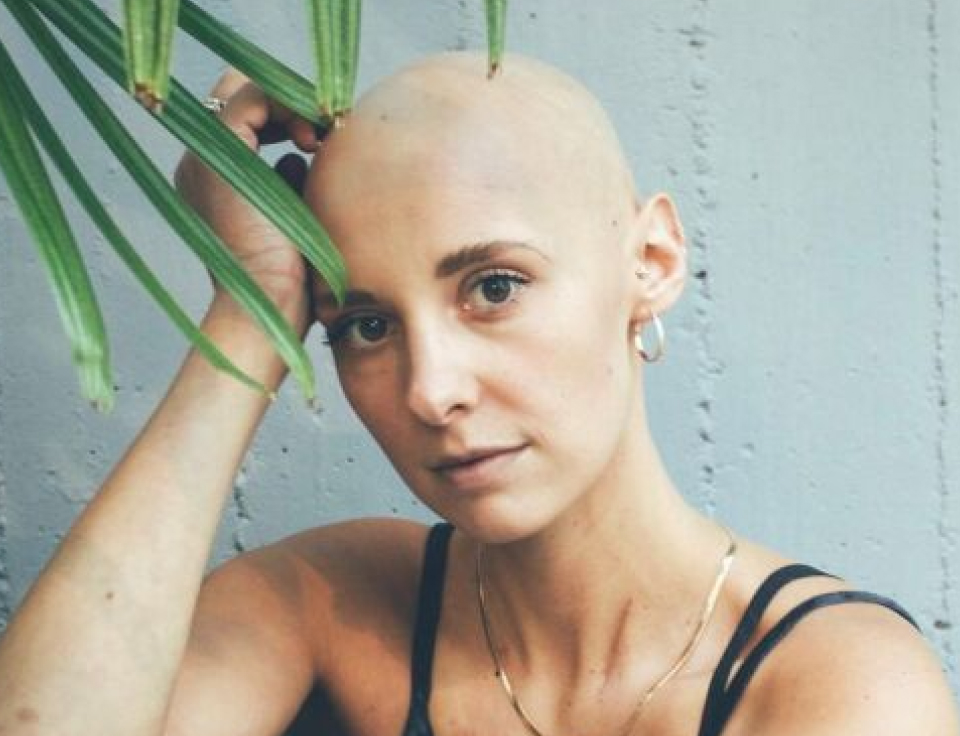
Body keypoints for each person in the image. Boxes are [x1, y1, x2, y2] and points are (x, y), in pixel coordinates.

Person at [0, 50, 956, 736]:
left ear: (652, 262)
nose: (431, 390)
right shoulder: (340, 598)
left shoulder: (837, 686)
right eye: (363, 324)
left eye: (493, 287)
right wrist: (252, 307)